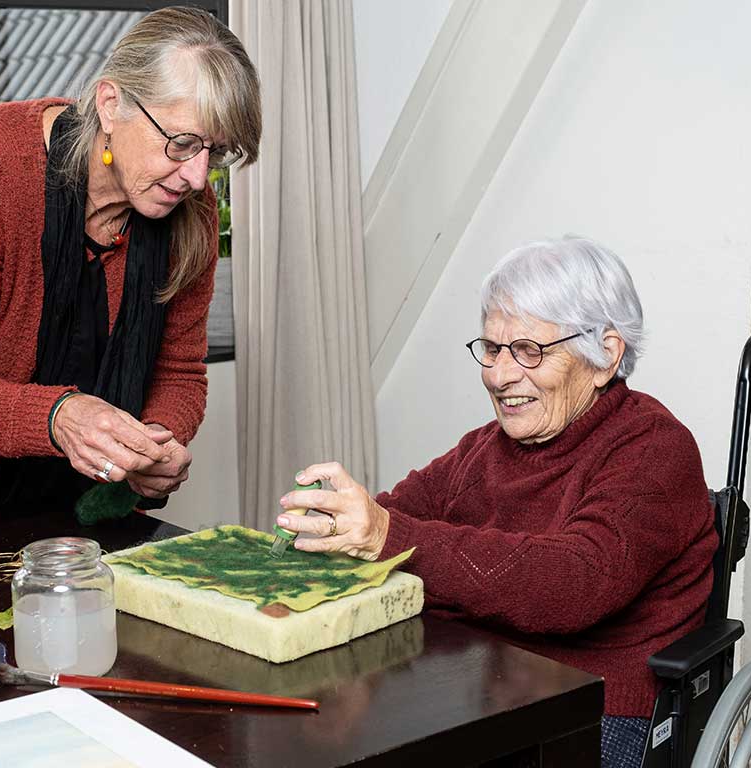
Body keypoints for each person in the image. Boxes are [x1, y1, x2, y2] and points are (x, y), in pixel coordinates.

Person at [275, 236, 718, 768]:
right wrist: (338, 525)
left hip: (597, 709)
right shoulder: (488, 446)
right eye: (491, 348)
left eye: (531, 350)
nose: (499, 374)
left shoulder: (655, 450)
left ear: (605, 356)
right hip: (484, 689)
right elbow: (400, 512)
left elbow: (572, 584)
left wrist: (385, 535)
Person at [0, 7, 261, 526]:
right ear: (111, 105)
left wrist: (154, 442)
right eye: (180, 143)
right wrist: (60, 415)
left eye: (214, 152)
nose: (198, 178)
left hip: (82, 503)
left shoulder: (187, 211)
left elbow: (178, 372)